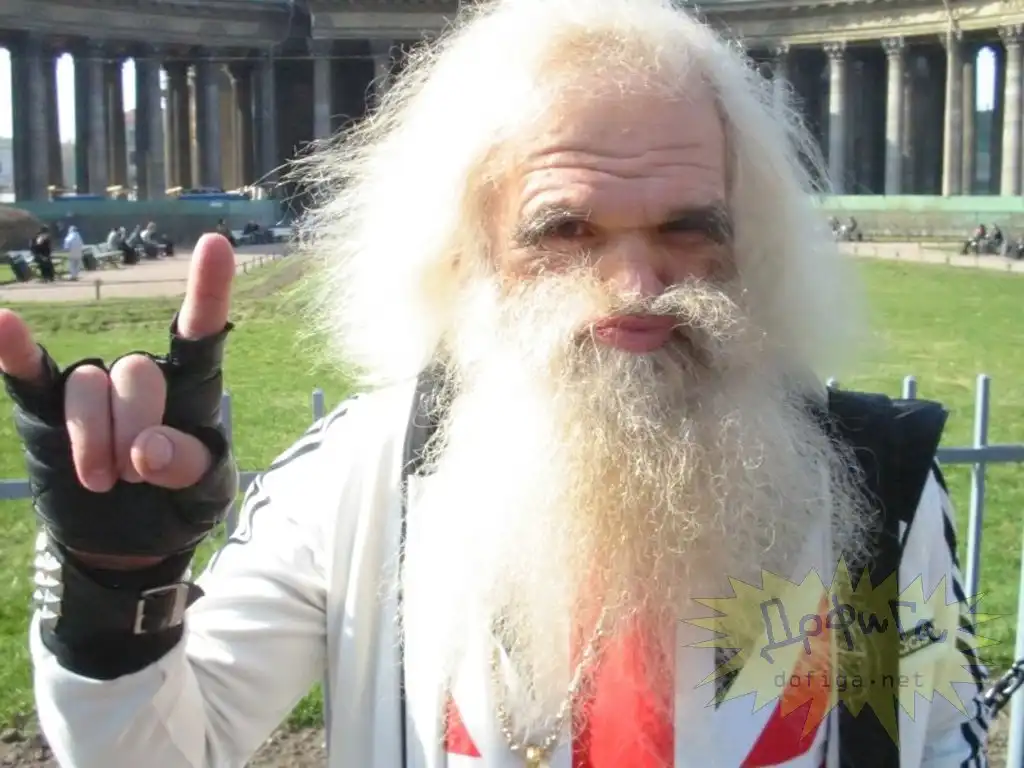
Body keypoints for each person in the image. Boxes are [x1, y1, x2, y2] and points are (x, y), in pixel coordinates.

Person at [1, 1, 987, 766]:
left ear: (748, 237)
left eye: (689, 229)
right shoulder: (359, 475)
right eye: (566, 231)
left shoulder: (872, 482)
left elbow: (934, 741)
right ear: (470, 250)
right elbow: (159, 752)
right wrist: (117, 588)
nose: (636, 288)